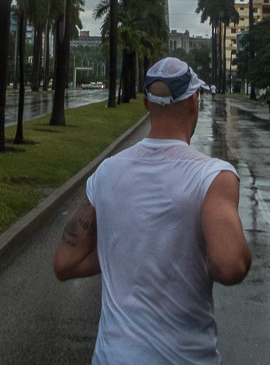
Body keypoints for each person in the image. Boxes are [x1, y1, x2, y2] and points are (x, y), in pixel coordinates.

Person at [53, 57, 251, 365]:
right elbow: (230, 266)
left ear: (146, 104)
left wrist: (130, 254)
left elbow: (65, 263)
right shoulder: (213, 177)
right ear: (194, 101)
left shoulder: (106, 173)